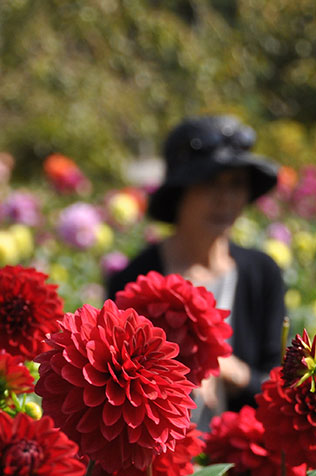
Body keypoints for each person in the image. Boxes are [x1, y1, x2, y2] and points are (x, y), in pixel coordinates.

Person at [106, 115, 286, 429]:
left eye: (236, 184)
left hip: (240, 460)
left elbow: (280, 386)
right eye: (209, 182)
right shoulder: (133, 280)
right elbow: (112, 384)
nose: (225, 198)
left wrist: (234, 372)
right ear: (180, 192)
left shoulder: (262, 274)